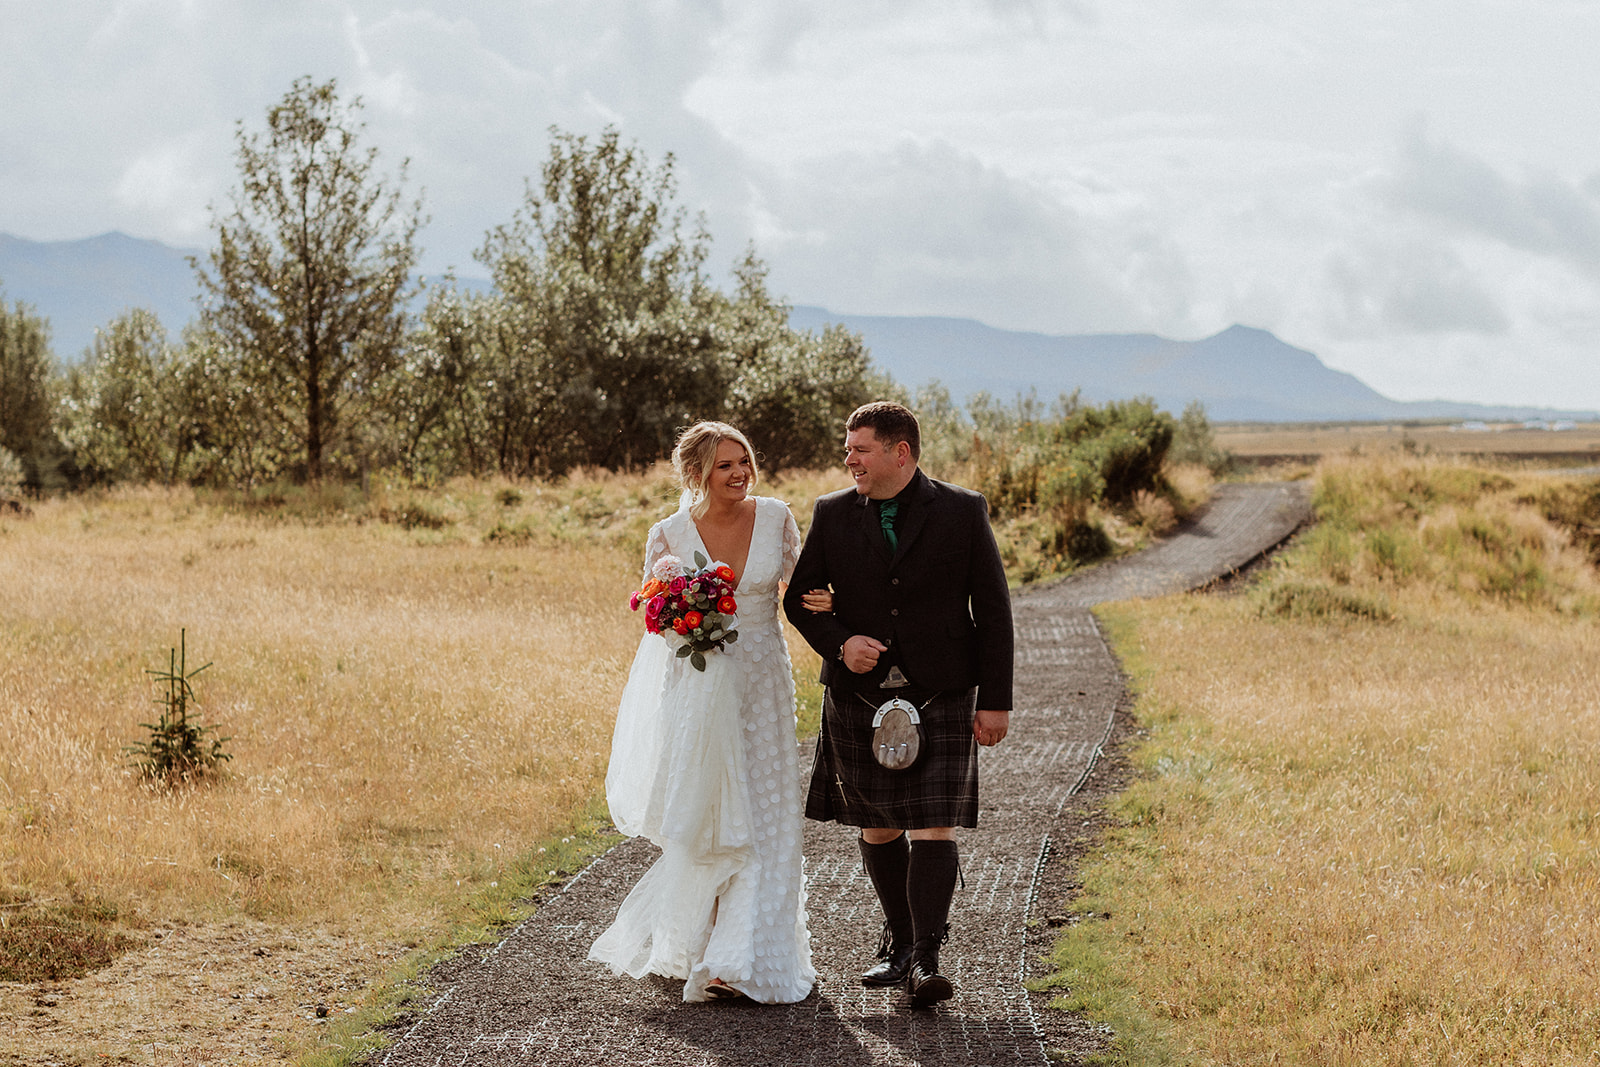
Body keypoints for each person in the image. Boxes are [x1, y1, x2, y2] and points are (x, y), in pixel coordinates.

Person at [782, 401, 1014, 1008]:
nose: (849, 459)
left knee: (933, 819)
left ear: (899, 451)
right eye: (849, 450)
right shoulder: (832, 513)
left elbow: (992, 610)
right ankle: (902, 942)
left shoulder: (962, 511)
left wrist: (996, 700)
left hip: (942, 688)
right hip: (858, 692)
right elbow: (801, 598)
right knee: (879, 823)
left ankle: (928, 956)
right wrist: (840, 643)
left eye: (860, 449)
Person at [589, 421, 818, 1004]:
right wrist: (688, 623)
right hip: (699, 694)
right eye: (725, 466)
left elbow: (804, 588)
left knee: (766, 815)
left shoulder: (777, 518)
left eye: (744, 461)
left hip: (764, 687)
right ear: (697, 475)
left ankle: (744, 956)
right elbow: (655, 620)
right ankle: (701, 943)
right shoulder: (666, 536)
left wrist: (830, 599)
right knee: (709, 815)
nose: (741, 473)